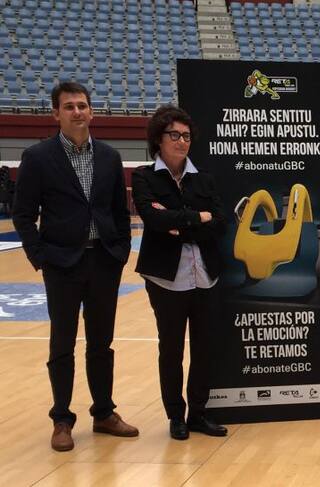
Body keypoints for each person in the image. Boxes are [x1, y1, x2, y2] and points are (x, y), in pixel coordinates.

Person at [12, 82, 139, 451]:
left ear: (92, 111)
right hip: (61, 263)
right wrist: (39, 256)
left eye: (82, 105)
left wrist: (120, 250)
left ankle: (104, 413)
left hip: (103, 260)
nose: (77, 112)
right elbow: (23, 214)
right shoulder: (37, 157)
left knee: (101, 343)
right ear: (56, 114)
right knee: (62, 344)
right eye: (69, 106)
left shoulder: (110, 156)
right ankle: (62, 419)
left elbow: (119, 211)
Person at [131, 105, 228, 440]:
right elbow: (153, 219)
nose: (182, 141)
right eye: (174, 135)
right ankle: (176, 416)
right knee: (171, 349)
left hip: (206, 276)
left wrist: (178, 222)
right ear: (158, 139)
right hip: (165, 279)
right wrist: (197, 217)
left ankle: (198, 414)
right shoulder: (143, 177)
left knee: (205, 348)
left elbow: (220, 223)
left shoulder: (204, 179)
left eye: (186, 136)